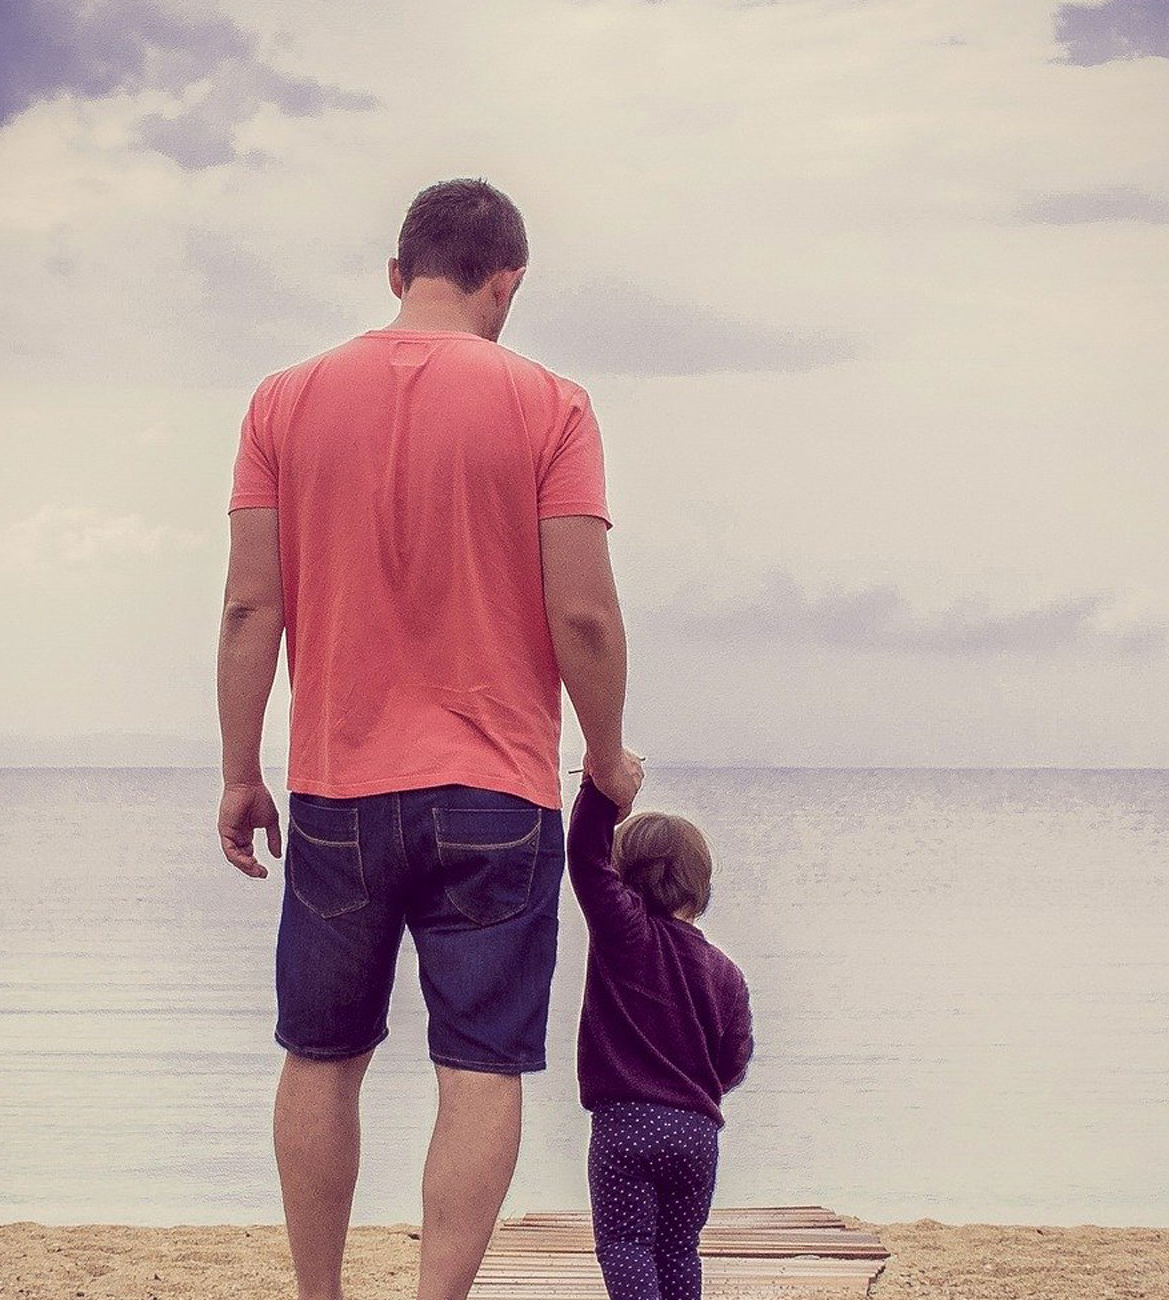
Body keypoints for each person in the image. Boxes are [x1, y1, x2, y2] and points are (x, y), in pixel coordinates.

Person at [215, 177, 646, 1300]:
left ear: (397, 274)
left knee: (321, 1057)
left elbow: (252, 607)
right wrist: (605, 755)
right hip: (500, 794)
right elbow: (585, 614)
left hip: (337, 786)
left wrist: (238, 770)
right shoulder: (551, 403)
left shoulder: (283, 401)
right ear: (506, 283)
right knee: (479, 1068)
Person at [566, 776, 753, 1300]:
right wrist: (693, 1083)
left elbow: (585, 857)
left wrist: (602, 790)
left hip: (627, 1125)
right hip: (697, 1134)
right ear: (702, 889)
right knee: (677, 1250)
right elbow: (734, 1062)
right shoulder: (726, 973)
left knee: (626, 1244)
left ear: (625, 881)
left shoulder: (627, 935)